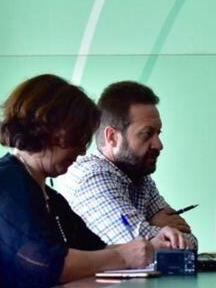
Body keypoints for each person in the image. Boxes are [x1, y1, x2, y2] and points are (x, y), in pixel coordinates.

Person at [0, 75, 185, 288]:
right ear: (53, 131)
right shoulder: (6, 186)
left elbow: (94, 248)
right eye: (79, 138)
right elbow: (46, 265)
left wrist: (152, 245)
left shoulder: (48, 197)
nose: (82, 152)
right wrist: (123, 256)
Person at [62, 81, 198, 248]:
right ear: (112, 137)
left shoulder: (140, 175)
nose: (159, 145)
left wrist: (150, 229)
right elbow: (137, 251)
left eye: (158, 133)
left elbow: (189, 241)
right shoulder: (93, 175)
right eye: (147, 134)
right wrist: (153, 223)